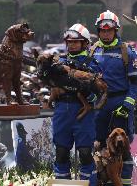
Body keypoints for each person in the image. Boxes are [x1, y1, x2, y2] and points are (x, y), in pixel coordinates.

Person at [91, 10, 137, 186]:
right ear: (98, 31)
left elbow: (136, 83)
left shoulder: (127, 51)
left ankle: (125, 183)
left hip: (120, 105)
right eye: (102, 30)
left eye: (109, 30)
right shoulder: (92, 50)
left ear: (115, 31)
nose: (106, 33)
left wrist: (127, 105)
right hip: (99, 106)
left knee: (123, 151)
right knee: (98, 147)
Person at [52, 23, 101, 185]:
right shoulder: (58, 62)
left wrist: (88, 92)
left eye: (76, 41)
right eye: (69, 42)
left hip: (83, 112)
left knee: (86, 153)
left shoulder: (92, 63)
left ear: (85, 43)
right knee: (61, 152)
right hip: (62, 110)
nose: (71, 44)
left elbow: (98, 93)